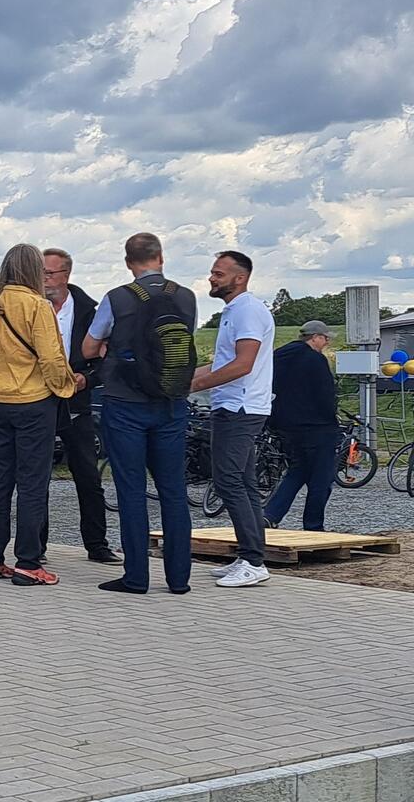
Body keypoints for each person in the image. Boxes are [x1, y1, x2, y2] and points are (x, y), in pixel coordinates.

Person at [83, 232, 199, 596]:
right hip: (170, 402)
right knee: (173, 491)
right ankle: (179, 578)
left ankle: (136, 577)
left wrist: (108, 348)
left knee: (131, 490)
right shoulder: (186, 296)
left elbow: (89, 346)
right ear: (161, 257)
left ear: (127, 262)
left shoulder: (117, 298)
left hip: (124, 403)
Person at [0, 244, 77, 588]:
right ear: (32, 271)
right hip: (33, 403)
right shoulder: (37, 306)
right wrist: (65, 388)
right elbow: (52, 359)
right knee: (32, 483)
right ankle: (28, 562)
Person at [190, 250, 275, 588]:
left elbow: (243, 364)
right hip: (235, 405)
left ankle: (254, 561)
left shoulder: (248, 310)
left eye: (219, 273)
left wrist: (195, 385)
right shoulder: (233, 311)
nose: (212, 278)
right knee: (244, 481)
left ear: (239, 278)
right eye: (212, 272)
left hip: (240, 407)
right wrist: (183, 379)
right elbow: (222, 362)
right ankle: (250, 553)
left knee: (228, 480)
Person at [40, 248, 121, 565]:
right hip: (38, 400)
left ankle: (97, 544)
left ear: (66, 275)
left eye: (50, 273)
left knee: (87, 474)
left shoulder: (90, 310)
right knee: (36, 476)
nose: (45, 280)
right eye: (41, 273)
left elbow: (108, 357)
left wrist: (88, 379)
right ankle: (36, 545)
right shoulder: (29, 307)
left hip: (77, 401)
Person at [263, 320, 340, 531]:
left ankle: (270, 515)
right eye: (325, 338)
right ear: (314, 337)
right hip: (317, 426)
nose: (326, 343)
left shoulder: (280, 355)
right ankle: (314, 526)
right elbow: (325, 394)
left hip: (286, 425)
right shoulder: (315, 360)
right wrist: (332, 418)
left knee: (298, 470)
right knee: (321, 478)